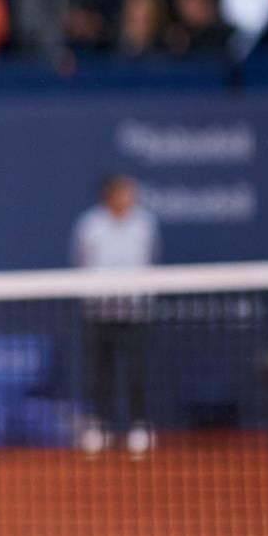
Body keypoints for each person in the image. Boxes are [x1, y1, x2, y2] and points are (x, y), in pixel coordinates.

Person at [71, 174, 159, 458]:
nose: (129, 197)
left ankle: (138, 426)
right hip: (99, 313)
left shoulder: (144, 224)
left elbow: (150, 260)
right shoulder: (90, 226)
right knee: (100, 374)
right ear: (109, 195)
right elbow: (81, 263)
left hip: (135, 312)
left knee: (136, 372)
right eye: (123, 192)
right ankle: (100, 427)